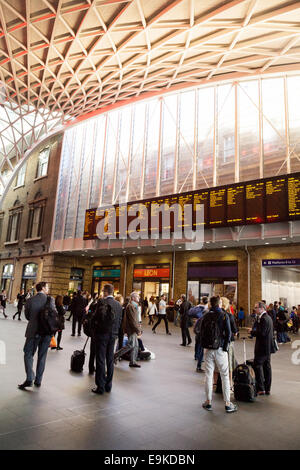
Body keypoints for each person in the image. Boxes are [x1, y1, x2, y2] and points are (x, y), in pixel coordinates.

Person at [200, 295, 237, 413]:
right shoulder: (224, 315)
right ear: (220, 304)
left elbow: (199, 331)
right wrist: (225, 347)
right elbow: (229, 333)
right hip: (220, 349)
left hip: (208, 349)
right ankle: (227, 403)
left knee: (209, 375)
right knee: (225, 375)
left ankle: (208, 402)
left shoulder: (206, 315)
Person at [18, 282, 58, 389]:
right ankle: (38, 380)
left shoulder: (30, 300)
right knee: (42, 355)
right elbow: (54, 315)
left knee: (28, 353)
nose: (48, 288)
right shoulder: (51, 300)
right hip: (46, 333)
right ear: (43, 288)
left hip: (33, 332)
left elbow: (27, 316)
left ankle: (30, 377)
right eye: (47, 287)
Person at [92, 284, 122, 394]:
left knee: (100, 359)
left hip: (102, 334)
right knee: (110, 359)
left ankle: (100, 386)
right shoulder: (118, 305)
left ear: (105, 292)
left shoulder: (102, 302)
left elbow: (95, 318)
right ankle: (109, 385)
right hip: (113, 335)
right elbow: (119, 321)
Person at [248, 301, 275, 396]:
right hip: (268, 347)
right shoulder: (269, 318)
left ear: (262, 308)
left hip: (262, 347)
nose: (255, 309)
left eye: (256, 307)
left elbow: (262, 333)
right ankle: (267, 388)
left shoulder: (263, 319)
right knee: (267, 367)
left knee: (257, 365)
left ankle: (261, 388)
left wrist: (252, 332)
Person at [221, 296, 238, 389]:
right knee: (229, 362)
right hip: (229, 342)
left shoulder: (216, 314)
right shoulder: (229, 316)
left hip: (219, 342)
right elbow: (235, 331)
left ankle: (216, 383)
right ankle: (230, 383)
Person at [189, 296, 209, 372]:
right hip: (202, 332)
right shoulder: (207, 308)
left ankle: (196, 356)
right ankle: (199, 363)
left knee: (197, 344)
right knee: (201, 347)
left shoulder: (198, 307)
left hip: (198, 330)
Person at [123, 292, 142, 368]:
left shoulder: (135, 306)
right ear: (133, 298)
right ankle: (114, 356)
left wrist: (139, 328)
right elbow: (132, 320)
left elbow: (136, 319)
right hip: (131, 329)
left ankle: (132, 361)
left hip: (134, 328)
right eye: (137, 296)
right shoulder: (130, 306)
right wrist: (138, 330)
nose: (139, 297)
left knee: (136, 345)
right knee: (130, 345)